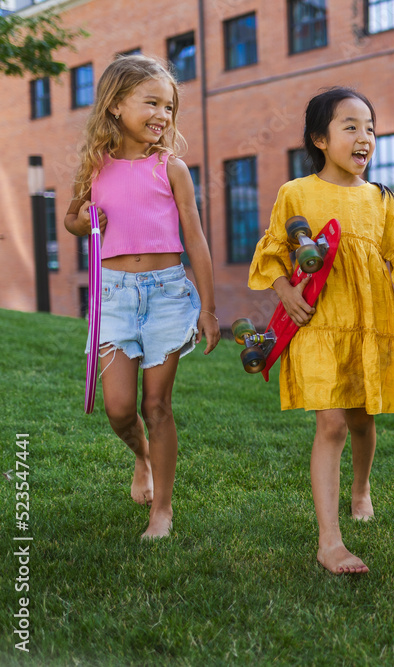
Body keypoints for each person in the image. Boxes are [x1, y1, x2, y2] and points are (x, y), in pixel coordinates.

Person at [248, 87, 394, 575]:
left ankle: (361, 487)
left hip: (369, 322)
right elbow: (272, 250)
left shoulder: (383, 200)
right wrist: (286, 289)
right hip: (318, 322)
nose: (364, 137)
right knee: (330, 422)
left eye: (371, 128)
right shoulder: (297, 192)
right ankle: (329, 541)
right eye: (350, 126)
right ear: (319, 138)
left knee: (361, 419)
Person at [63, 55, 220, 539]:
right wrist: (85, 215)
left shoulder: (171, 167)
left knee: (157, 405)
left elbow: (194, 238)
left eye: (169, 106)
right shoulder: (95, 165)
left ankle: (163, 511)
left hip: (168, 293)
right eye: (151, 102)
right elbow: (71, 220)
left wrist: (209, 310)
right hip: (112, 295)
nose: (163, 115)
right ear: (114, 105)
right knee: (118, 409)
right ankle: (142, 455)